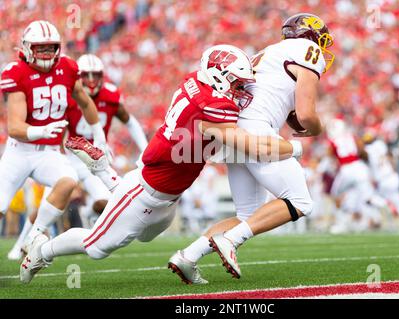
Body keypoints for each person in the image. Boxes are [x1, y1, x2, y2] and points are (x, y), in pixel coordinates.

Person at [19, 44, 302, 284]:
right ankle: (41, 250)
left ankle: (104, 170)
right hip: (147, 191)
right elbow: (255, 145)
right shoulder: (212, 106)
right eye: (237, 84)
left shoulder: (198, 83)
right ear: (218, 77)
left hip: (167, 193)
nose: (241, 90)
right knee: (97, 248)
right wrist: (296, 147)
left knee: (145, 237)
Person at [169, 13, 335, 284]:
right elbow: (306, 115)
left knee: (248, 215)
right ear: (311, 37)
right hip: (256, 129)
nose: (323, 48)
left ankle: (187, 256)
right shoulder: (307, 49)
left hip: (233, 129)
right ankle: (231, 240)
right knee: (301, 201)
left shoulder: (266, 52)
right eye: (321, 40)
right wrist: (317, 129)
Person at [7, 54, 148, 260]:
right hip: (70, 157)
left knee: (107, 202)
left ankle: (89, 213)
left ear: (102, 76)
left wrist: (144, 147)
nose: (91, 79)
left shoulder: (110, 96)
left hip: (96, 161)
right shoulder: (67, 94)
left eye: (96, 74)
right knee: (48, 203)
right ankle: (20, 245)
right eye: (86, 75)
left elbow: (130, 121)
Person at [0, 21, 106, 258]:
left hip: (48, 152)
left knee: (68, 181)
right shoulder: (16, 72)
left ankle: (32, 238)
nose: (47, 53)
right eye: (41, 48)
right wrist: (40, 131)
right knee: (0, 206)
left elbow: (85, 101)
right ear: (28, 48)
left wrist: (99, 135)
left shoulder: (67, 68)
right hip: (20, 151)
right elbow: (15, 127)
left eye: (51, 47)